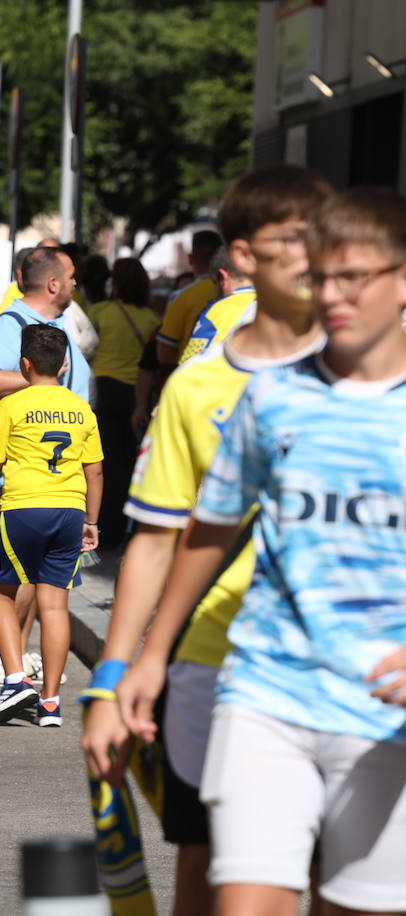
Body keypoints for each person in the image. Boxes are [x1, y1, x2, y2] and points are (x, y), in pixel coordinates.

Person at [115, 185, 406, 916]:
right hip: (265, 688)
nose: (331, 295)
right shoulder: (271, 395)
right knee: (238, 902)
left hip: (381, 711)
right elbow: (206, 529)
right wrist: (150, 658)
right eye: (322, 275)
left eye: (353, 278)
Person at [78, 164, 331, 915]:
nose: (320, 256)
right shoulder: (199, 385)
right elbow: (155, 542)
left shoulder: (374, 371)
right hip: (218, 664)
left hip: (347, 666)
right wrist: (117, 672)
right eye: (297, 239)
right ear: (243, 256)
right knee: (213, 871)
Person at [0, 324, 102, 726]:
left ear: (24, 363)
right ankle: (50, 702)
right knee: (55, 605)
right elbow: (96, 471)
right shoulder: (80, 407)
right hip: (69, 511)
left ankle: (15, 678)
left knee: (0, 594)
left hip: (21, 509)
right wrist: (92, 521)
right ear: (65, 363)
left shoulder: (12, 406)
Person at [0, 247, 93, 686]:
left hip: (60, 479)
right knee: (18, 576)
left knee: (40, 580)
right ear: (53, 283)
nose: (77, 283)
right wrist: (44, 384)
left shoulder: (57, 327)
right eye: (72, 276)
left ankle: (14, 656)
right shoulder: (12, 324)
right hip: (20, 476)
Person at [86, 258, 160, 548]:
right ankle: (127, 531)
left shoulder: (101, 311)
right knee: (130, 464)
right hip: (136, 395)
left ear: (114, 283)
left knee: (103, 463)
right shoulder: (152, 319)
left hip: (104, 391)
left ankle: (103, 529)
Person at [155, 229, 222, 370]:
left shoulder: (182, 297)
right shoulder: (238, 293)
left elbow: (165, 355)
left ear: (190, 259)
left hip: (191, 376)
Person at [179, 245, 255, 365]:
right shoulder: (277, 304)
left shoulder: (217, 311)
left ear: (223, 276)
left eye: (215, 282)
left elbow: (189, 364)